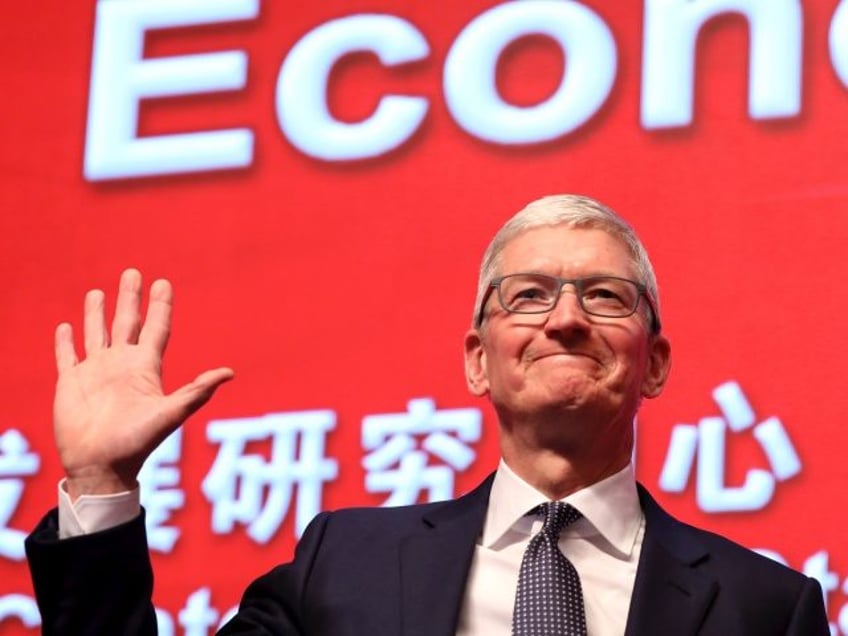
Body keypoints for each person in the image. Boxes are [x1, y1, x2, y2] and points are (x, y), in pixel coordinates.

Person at [26, 194, 829, 635]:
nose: (567, 319)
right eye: (529, 296)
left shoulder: (766, 607)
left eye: (606, 296)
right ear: (478, 361)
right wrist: (99, 484)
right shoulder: (345, 566)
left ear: (653, 362)